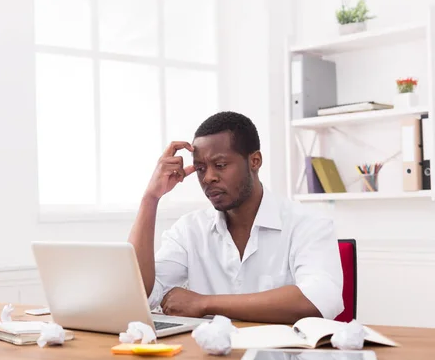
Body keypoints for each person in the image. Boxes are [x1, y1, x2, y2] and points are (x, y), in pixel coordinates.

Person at [128, 111, 343, 324]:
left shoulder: (307, 223)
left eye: (220, 166)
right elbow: (139, 292)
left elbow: (320, 299)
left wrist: (205, 303)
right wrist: (151, 197)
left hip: (283, 355)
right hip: (207, 355)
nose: (208, 177)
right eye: (201, 168)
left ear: (255, 161)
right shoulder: (189, 229)